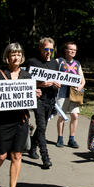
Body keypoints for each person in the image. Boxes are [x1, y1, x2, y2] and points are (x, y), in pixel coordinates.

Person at [0, 43, 41, 187]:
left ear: (22, 57)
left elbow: (29, 98)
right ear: (7, 57)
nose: (16, 57)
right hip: (2, 122)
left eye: (18, 54)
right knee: (2, 155)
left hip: (21, 120)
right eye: (13, 54)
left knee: (17, 155)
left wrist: (35, 94)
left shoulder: (27, 76)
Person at [26, 37, 60, 169]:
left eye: (51, 49)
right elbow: (26, 82)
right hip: (38, 99)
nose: (49, 52)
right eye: (46, 49)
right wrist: (40, 84)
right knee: (41, 127)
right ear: (40, 48)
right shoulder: (33, 62)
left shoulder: (55, 64)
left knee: (42, 126)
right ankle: (45, 157)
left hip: (50, 100)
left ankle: (32, 148)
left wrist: (58, 85)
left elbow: (58, 80)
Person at [55, 42, 86, 148]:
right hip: (62, 93)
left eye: (75, 50)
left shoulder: (77, 63)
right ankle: (60, 138)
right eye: (71, 49)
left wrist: (80, 87)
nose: (73, 51)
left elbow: (83, 80)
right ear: (65, 50)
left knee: (75, 115)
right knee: (61, 117)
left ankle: (71, 139)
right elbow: (52, 74)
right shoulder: (59, 61)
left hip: (74, 94)